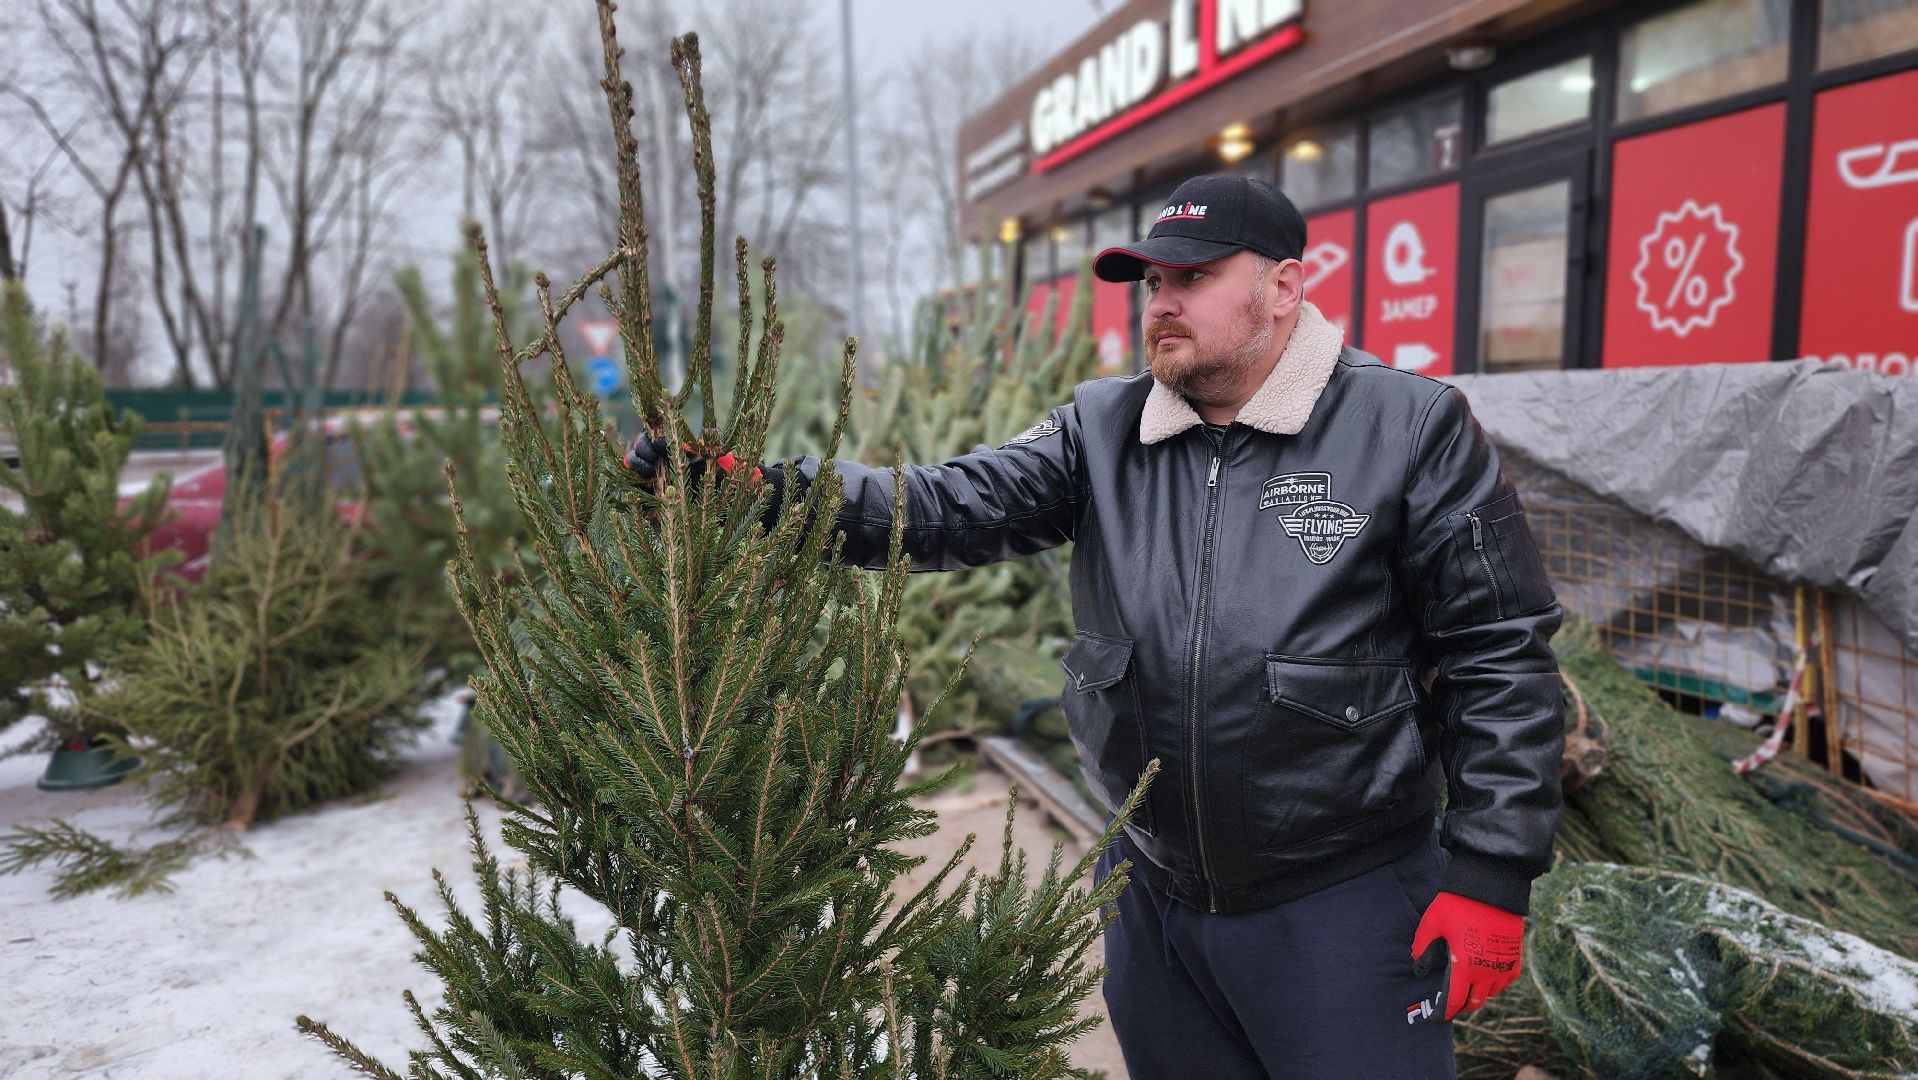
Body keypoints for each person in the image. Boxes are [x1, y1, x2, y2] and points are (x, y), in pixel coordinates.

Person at [626, 174, 1564, 1079]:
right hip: (1152, 898)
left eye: (1194, 277)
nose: (1162, 301)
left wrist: (1493, 869)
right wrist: (761, 495)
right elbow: (945, 504)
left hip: (1342, 904)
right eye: (1153, 281)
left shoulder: (1409, 428)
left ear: (1285, 286)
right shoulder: (1104, 428)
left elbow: (1500, 652)